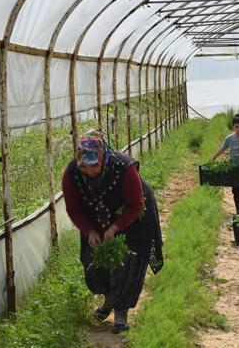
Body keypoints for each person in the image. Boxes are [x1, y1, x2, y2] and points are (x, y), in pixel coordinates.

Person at [62, 130, 164, 333]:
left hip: (135, 217)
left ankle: (121, 311)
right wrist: (89, 231)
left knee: (127, 261)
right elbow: (73, 209)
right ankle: (108, 299)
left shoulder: (124, 168)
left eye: (94, 166)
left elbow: (136, 204)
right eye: (85, 167)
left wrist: (115, 228)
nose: (90, 171)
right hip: (96, 219)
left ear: (103, 158)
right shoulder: (72, 173)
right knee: (95, 261)